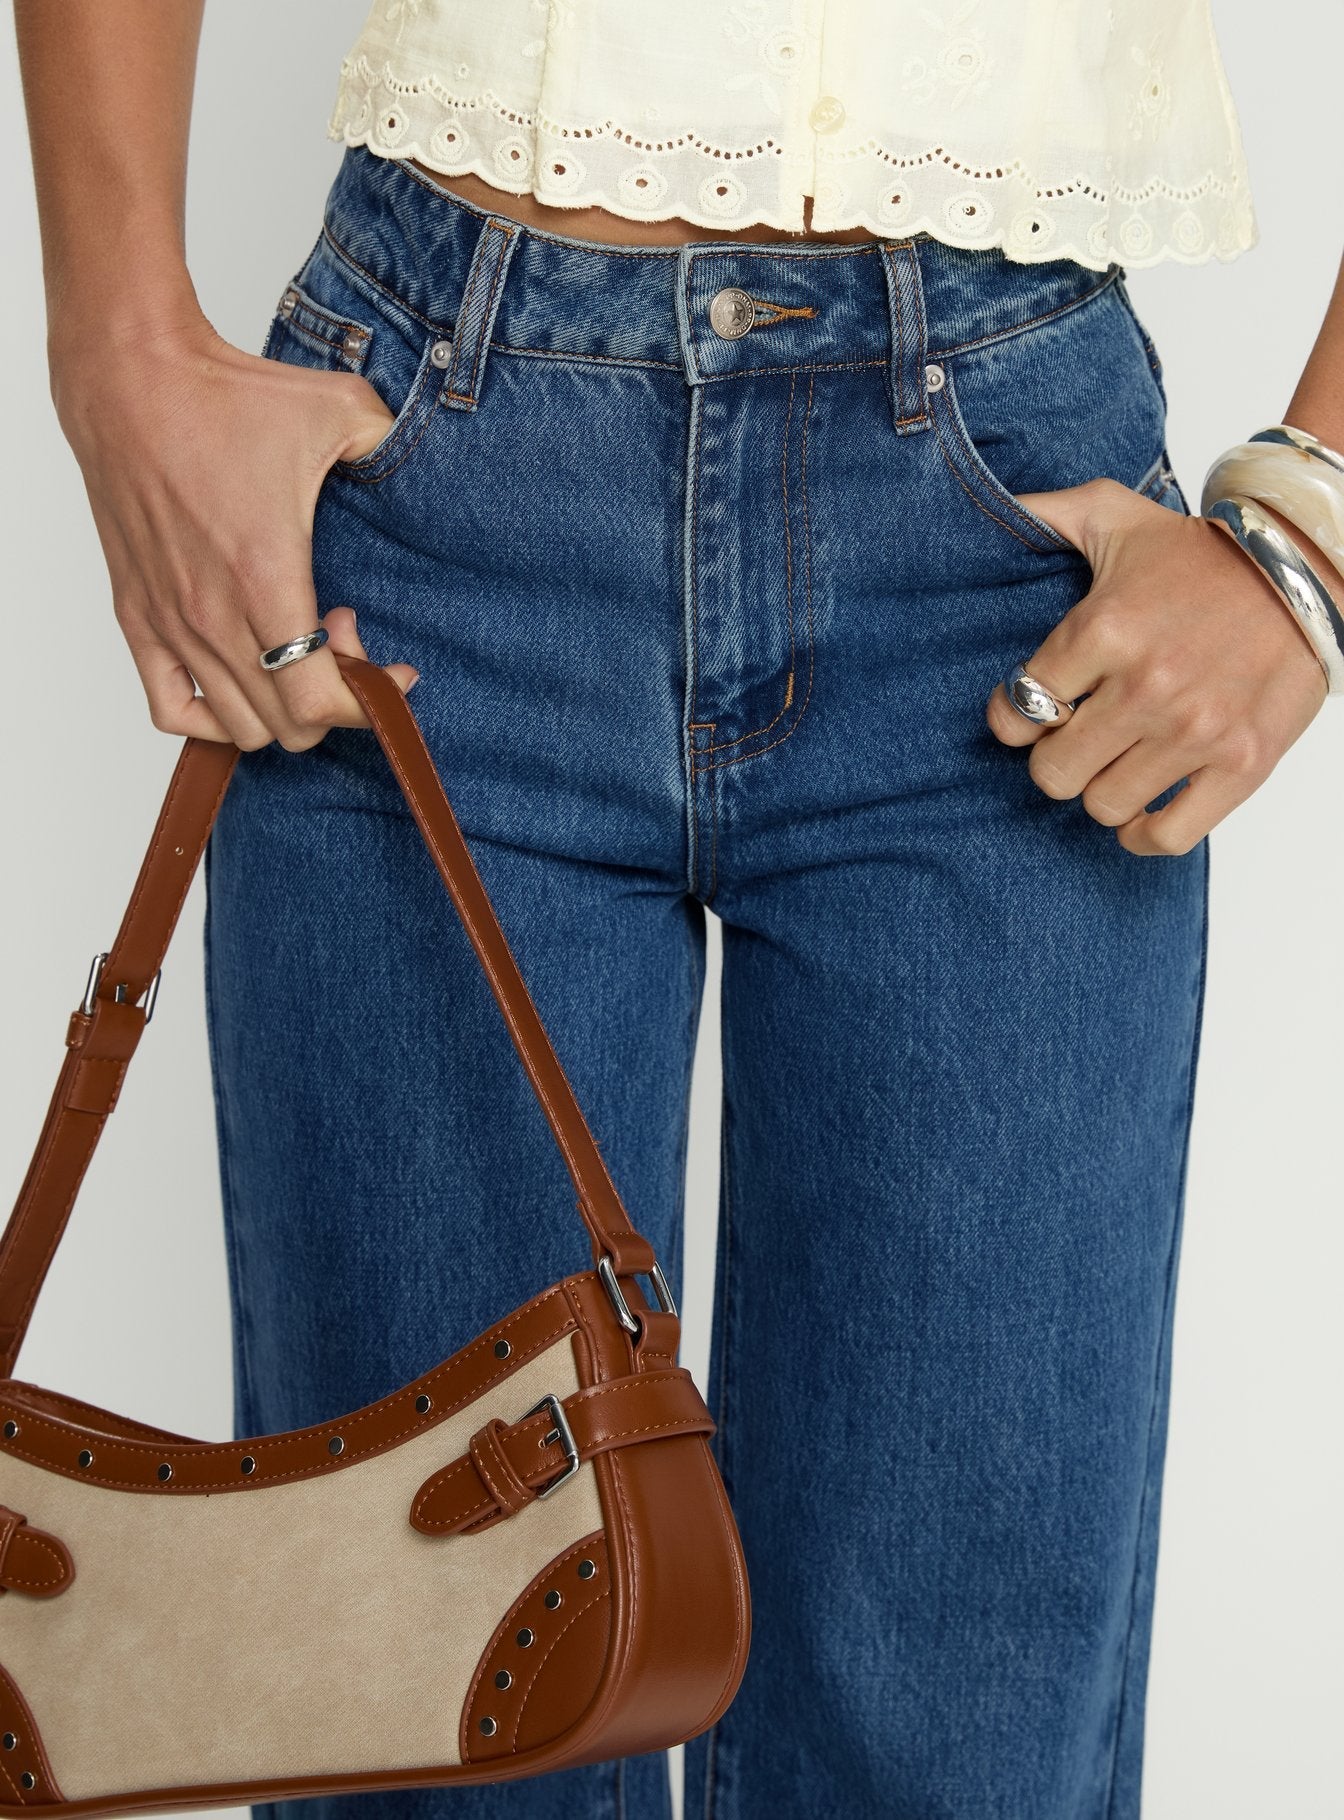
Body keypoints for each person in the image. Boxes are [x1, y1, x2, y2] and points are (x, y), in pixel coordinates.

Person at [12, 2, 1342, 1816]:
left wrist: (1311, 536)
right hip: (428, 486)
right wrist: (116, 349)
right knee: (428, 1720)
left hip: (1015, 557)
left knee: (951, 1750)